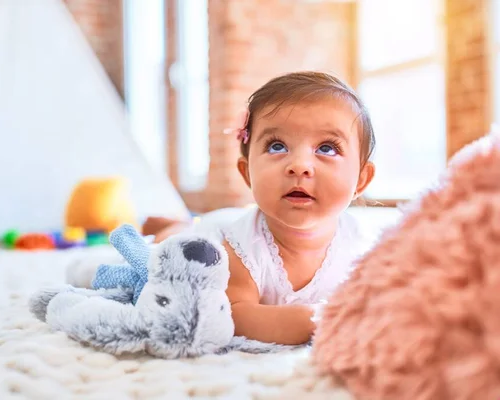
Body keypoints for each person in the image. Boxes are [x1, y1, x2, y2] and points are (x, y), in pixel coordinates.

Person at [145, 71, 377, 345]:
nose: (300, 165)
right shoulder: (241, 248)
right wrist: (308, 322)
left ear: (361, 179)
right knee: (172, 241)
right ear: (247, 173)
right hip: (214, 227)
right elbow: (231, 313)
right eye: (277, 146)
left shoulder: (364, 246)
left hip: (228, 215)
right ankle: (169, 224)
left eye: (326, 148)